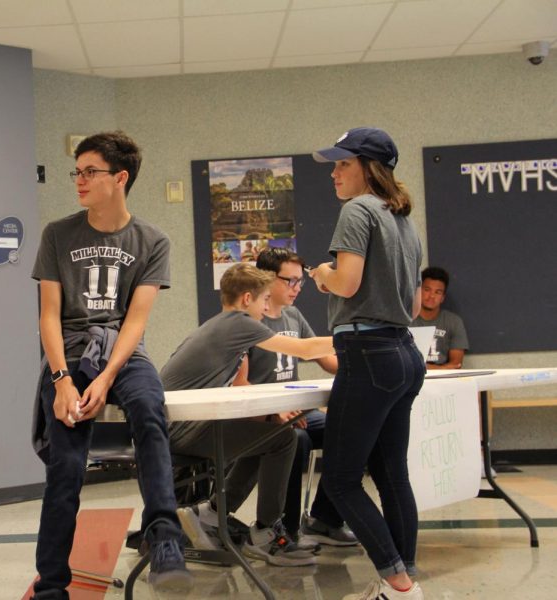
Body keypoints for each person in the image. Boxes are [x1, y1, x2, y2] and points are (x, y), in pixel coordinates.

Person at [30, 131, 191, 597]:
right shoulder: (57, 234)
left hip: (123, 351)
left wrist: (106, 378)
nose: (79, 180)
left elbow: (135, 323)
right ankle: (51, 585)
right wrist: (62, 381)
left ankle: (163, 537)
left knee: (149, 412)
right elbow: (48, 315)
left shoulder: (152, 240)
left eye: (90, 171)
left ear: (120, 178)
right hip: (69, 351)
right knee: (65, 464)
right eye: (76, 171)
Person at [309, 127, 426, 600]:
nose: (334, 173)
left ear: (368, 167)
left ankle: (398, 585)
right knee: (391, 473)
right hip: (404, 352)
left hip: (367, 353)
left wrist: (321, 275)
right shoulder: (402, 220)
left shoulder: (356, 210)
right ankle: (405, 577)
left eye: (342, 163)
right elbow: (415, 306)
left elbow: (348, 283)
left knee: (339, 480)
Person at [162, 263, 335, 567]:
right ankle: (266, 534)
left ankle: (212, 514)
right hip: (182, 428)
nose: (267, 307)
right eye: (264, 299)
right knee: (282, 439)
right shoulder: (238, 323)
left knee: (271, 436)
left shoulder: (222, 325)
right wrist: (355, 336)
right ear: (246, 299)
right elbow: (305, 350)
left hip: (179, 424)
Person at [249, 248, 358, 548]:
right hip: (264, 414)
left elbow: (325, 358)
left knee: (351, 432)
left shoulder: (294, 315)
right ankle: (284, 528)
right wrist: (272, 413)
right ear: (267, 278)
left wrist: (360, 368)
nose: (297, 288)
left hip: (298, 410)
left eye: (300, 282)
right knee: (298, 442)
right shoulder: (250, 319)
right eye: (291, 281)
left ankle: (325, 518)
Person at [411, 267, 469, 370]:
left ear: (443, 297)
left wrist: (428, 368)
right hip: (413, 378)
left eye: (437, 292)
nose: (432, 296)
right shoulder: (405, 320)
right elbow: (400, 362)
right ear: (419, 291)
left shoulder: (454, 322)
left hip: (444, 379)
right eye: (427, 290)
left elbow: (456, 364)